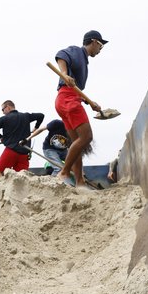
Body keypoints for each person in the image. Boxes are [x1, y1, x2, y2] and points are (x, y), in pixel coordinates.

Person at [53, 30, 107, 189]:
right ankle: (64, 172)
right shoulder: (78, 51)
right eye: (101, 46)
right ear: (94, 41)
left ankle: (80, 182)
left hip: (65, 100)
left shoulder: (84, 61)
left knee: (77, 143)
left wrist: (89, 102)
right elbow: (61, 54)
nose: (100, 50)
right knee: (86, 137)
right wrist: (64, 74)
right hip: (68, 99)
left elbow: (76, 89)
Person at [0, 100, 44, 180]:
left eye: (3, 110)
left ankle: (1, 188)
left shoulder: (4, 119)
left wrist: (1, 137)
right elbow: (41, 116)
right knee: (21, 178)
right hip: (24, 153)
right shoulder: (26, 116)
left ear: (8, 107)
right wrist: (36, 127)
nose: (3, 112)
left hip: (11, 151)